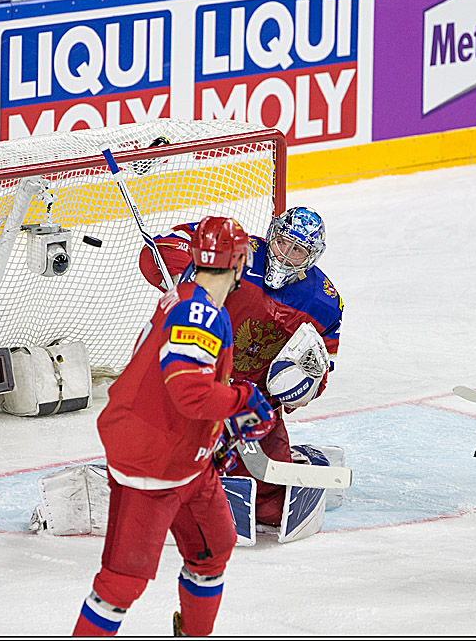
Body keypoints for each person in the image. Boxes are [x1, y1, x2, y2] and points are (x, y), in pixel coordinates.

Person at [73, 216, 276, 637]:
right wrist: (242, 401)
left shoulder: (187, 299)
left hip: (186, 458)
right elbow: (190, 393)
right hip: (151, 459)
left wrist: (215, 435)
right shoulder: (198, 312)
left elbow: (179, 391)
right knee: (122, 581)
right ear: (239, 263)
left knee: (212, 548)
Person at [138, 206, 343, 529]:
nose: (285, 255)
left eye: (297, 251)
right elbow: (163, 246)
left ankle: (302, 461)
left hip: (252, 404)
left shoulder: (324, 302)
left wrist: (302, 387)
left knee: (272, 509)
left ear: (312, 257)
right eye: (282, 243)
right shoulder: (236, 249)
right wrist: (184, 276)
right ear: (272, 235)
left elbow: (321, 369)